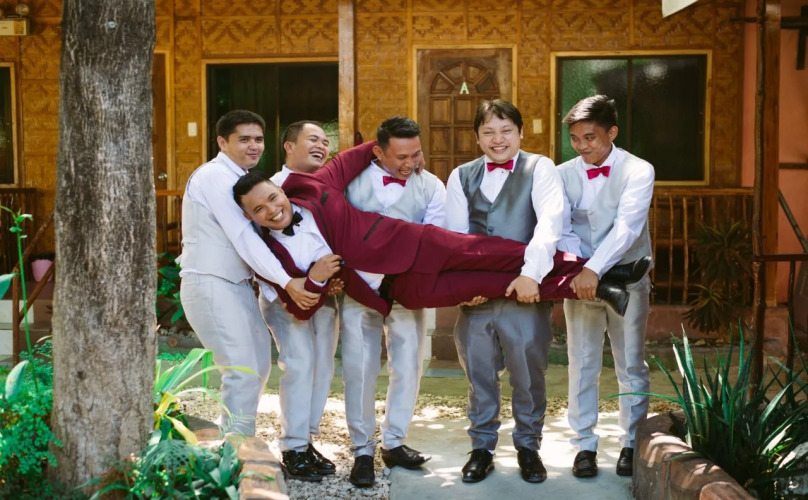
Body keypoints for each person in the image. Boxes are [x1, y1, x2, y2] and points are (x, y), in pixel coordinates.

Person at [179, 110, 319, 436]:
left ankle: (240, 442)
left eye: (258, 139)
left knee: (257, 367)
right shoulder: (213, 176)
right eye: (244, 139)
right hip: (210, 282)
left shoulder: (243, 179)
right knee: (241, 371)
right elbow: (244, 238)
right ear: (222, 142)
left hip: (240, 286)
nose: (253, 146)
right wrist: (287, 283)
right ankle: (236, 451)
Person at [443, 99, 559, 484]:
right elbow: (455, 237)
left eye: (506, 130)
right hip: (476, 298)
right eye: (489, 132)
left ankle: (528, 446)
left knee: (528, 373)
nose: (498, 139)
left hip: (524, 293)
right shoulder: (461, 175)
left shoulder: (540, 167)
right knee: (478, 373)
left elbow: (549, 224)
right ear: (477, 138)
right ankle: (482, 448)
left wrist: (531, 274)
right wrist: (463, 286)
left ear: (521, 133)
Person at [340, 117, 444, 487]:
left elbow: (435, 238)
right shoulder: (351, 182)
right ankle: (362, 449)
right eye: (401, 157)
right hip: (360, 290)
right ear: (379, 152)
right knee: (359, 368)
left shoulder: (431, 185)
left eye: (416, 154)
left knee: (409, 364)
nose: (410, 164)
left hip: (406, 289)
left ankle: (395, 441)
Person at [557, 95, 654, 479]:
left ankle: (631, 442)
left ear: (612, 132)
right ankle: (584, 445)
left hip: (628, 281)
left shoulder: (639, 170)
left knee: (630, 364)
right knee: (582, 364)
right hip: (579, 283)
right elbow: (561, 226)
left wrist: (593, 270)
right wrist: (578, 269)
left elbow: (627, 228)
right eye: (575, 138)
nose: (581, 146)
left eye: (590, 138)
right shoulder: (562, 173)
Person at [257, 121, 337, 482]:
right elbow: (257, 249)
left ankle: (305, 440)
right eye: (312, 139)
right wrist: (291, 285)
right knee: (300, 365)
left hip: (327, 294)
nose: (322, 145)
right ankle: (291, 447)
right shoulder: (270, 190)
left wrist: (335, 277)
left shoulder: (330, 189)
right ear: (289, 146)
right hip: (285, 297)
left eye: (325, 141)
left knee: (322, 367)